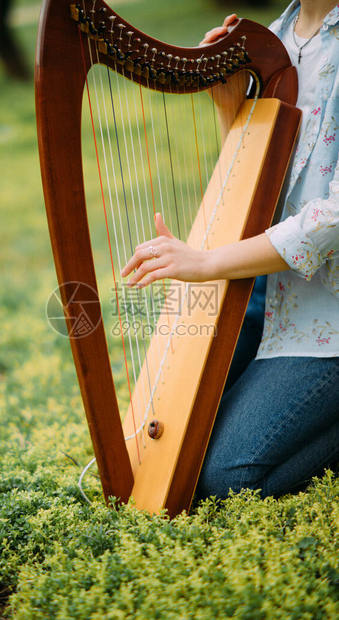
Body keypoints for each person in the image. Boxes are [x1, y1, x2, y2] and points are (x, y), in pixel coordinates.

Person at [122, 0, 339, 500]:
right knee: (178, 439)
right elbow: (265, 182)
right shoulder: (275, 37)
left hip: (325, 309)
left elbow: (331, 216)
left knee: (227, 480)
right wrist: (229, 107)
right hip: (269, 290)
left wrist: (205, 262)